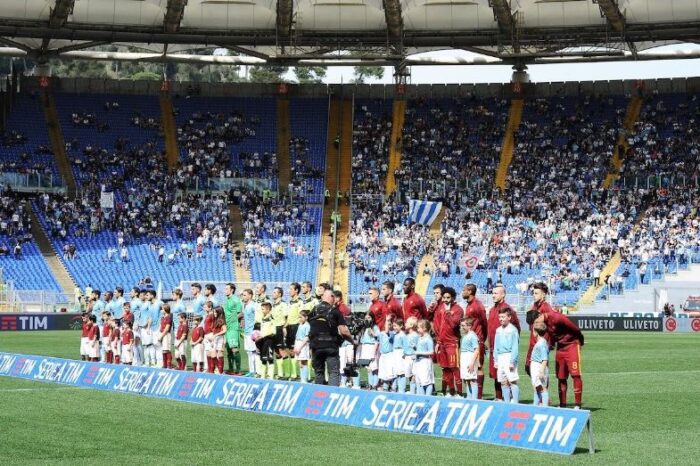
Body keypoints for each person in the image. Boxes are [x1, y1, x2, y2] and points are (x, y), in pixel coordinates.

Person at [530, 306, 585, 408]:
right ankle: (562, 404)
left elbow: (575, 329)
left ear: (540, 316)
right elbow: (551, 337)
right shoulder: (544, 324)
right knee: (561, 377)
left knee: (575, 375)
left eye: (537, 322)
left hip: (572, 345)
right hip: (560, 347)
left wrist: (580, 342)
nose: (536, 325)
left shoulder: (557, 317)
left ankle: (578, 405)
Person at [307, 289, 354, 386]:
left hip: (316, 347)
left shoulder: (314, 310)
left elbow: (311, 326)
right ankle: (332, 395)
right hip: (330, 346)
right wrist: (352, 341)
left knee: (318, 372)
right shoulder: (335, 311)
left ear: (323, 297)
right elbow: (344, 331)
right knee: (333, 372)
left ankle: (319, 395)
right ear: (332, 297)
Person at [487, 284, 521, 400]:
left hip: (507, 351)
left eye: (496, 293)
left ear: (503, 294)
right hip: (494, 349)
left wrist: (511, 343)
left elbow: (516, 326)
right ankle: (499, 397)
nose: (493, 295)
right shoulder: (492, 310)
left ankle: (511, 399)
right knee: (496, 375)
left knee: (509, 377)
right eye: (492, 293)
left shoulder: (508, 309)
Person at [436, 287, 463, 397]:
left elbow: (454, 324)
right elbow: (437, 325)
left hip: (452, 343)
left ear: (453, 298)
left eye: (448, 297)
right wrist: (438, 341)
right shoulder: (440, 308)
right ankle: (451, 392)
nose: (446, 300)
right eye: (444, 297)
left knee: (455, 368)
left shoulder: (458, 309)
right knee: (446, 369)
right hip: (442, 343)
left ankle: (460, 394)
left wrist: (448, 314)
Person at [462, 283, 488, 398]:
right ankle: (472, 395)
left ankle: (479, 396)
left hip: (477, 340)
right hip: (470, 340)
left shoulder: (477, 305)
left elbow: (484, 322)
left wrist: (483, 338)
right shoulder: (469, 305)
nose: (462, 292)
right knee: (471, 368)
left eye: (464, 290)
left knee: (479, 367)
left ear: (470, 292)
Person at [525, 282, 555, 377]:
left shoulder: (546, 307)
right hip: (533, 343)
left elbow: (553, 325)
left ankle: (543, 391)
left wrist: (550, 343)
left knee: (540, 375)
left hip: (541, 344)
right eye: (533, 293)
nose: (534, 295)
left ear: (543, 294)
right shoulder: (534, 306)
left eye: (536, 293)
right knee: (530, 371)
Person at [494, 307, 520, 403]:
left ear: (509, 317)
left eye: (503, 317)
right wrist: (495, 359)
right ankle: (507, 402)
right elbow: (496, 345)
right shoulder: (498, 330)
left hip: (509, 356)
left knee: (512, 381)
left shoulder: (513, 330)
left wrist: (512, 361)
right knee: (503, 381)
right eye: (500, 317)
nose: (501, 319)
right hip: (500, 358)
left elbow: (515, 347)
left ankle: (516, 403)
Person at [223, 283, 242, 375]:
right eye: (225, 289)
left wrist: (233, 321)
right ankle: (231, 369)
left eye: (227, 289)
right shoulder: (226, 300)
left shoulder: (236, 300)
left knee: (234, 348)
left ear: (232, 290)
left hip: (233, 328)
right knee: (228, 349)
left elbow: (240, 314)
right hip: (227, 327)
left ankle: (238, 370)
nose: (225, 290)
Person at [271, 287, 289, 379]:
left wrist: (284, 328)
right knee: (276, 352)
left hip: (280, 329)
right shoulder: (273, 305)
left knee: (282, 350)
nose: (272, 294)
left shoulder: (283, 304)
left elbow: (287, 317)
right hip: (274, 329)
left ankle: (287, 373)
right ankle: (280, 373)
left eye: (275, 292)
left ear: (280, 294)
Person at [459, 318, 480, 400]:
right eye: (461, 325)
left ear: (469, 326)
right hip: (464, 358)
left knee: (472, 380)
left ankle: (474, 399)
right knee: (467, 380)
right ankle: (469, 398)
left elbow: (476, 350)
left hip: (470, 358)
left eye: (463, 325)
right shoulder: (466, 335)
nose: (461, 327)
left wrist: (472, 363)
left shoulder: (472, 336)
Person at [285, 283, 303, 380]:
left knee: (296, 351)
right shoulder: (290, 302)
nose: (289, 291)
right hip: (289, 327)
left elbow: (301, 317)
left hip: (295, 327)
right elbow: (288, 316)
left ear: (296, 290)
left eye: (291, 289)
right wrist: (285, 327)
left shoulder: (300, 302)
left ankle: (298, 374)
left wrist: (298, 328)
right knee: (289, 351)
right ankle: (293, 373)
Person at [530, 322, 550, 406]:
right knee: (537, 387)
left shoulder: (541, 344)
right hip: (536, 366)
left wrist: (541, 371)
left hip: (538, 366)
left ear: (536, 332)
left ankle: (545, 407)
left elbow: (544, 359)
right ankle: (536, 405)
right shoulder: (542, 342)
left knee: (542, 387)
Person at [256, 302, 276, 379]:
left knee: (270, 359)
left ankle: (271, 377)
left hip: (269, 341)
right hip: (262, 341)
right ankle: (263, 376)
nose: (262, 310)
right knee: (263, 358)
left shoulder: (271, 319)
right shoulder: (262, 319)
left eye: (263, 309)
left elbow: (273, 332)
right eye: (261, 309)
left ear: (268, 310)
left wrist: (263, 336)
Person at [414, 319, 435, 396]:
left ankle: (428, 397)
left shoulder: (428, 339)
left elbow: (431, 352)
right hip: (418, 362)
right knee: (419, 381)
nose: (417, 329)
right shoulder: (420, 338)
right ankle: (421, 398)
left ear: (425, 328)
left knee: (427, 381)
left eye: (419, 328)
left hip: (425, 362)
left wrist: (419, 352)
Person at [240, 288, 257, 377]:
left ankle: (255, 371)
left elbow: (257, 318)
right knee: (249, 352)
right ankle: (251, 371)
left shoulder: (253, 305)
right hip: (246, 332)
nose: (243, 297)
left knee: (254, 352)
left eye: (245, 295)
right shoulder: (245, 305)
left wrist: (256, 330)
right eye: (243, 295)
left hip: (252, 332)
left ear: (250, 295)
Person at [377, 315, 395, 391]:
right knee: (384, 373)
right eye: (386, 322)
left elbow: (387, 331)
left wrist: (387, 320)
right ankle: (385, 387)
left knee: (390, 373)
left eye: (388, 323)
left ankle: (393, 387)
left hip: (389, 355)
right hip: (383, 355)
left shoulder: (392, 333)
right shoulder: (381, 333)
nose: (386, 324)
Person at [293, 310, 311, 383]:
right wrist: (295, 346)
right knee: (300, 362)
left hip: (303, 344)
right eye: (299, 317)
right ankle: (302, 378)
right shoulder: (300, 325)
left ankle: (304, 379)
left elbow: (306, 338)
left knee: (304, 362)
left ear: (306, 317)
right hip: (298, 343)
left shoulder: (307, 326)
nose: (299, 319)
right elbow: (297, 336)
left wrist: (300, 347)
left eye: (301, 317)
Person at [403, 317, 419, 394]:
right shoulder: (407, 335)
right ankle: (412, 389)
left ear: (411, 325)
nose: (405, 324)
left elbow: (418, 347)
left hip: (413, 357)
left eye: (407, 323)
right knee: (409, 375)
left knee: (414, 374)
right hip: (407, 357)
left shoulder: (415, 335)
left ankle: (414, 391)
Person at [391, 318, 407, 393]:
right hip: (395, 353)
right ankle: (394, 387)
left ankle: (401, 389)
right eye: (393, 326)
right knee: (395, 371)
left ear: (401, 326)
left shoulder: (402, 335)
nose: (394, 328)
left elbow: (405, 346)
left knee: (401, 372)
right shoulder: (394, 334)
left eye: (396, 326)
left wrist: (404, 354)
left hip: (400, 353)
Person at [212, 306, 227, 374]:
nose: (214, 313)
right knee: (214, 355)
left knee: (219, 355)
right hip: (216, 339)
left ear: (219, 312)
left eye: (215, 312)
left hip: (220, 339)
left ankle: (220, 371)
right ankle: (217, 369)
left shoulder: (221, 320)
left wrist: (216, 334)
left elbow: (224, 330)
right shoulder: (215, 319)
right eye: (213, 312)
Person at [159, 304, 173, 369]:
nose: (161, 310)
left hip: (166, 335)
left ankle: (169, 365)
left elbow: (167, 328)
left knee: (167, 350)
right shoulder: (162, 318)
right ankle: (164, 365)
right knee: (163, 350)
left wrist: (161, 336)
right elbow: (161, 326)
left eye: (162, 309)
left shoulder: (168, 317)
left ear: (165, 309)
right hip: (162, 334)